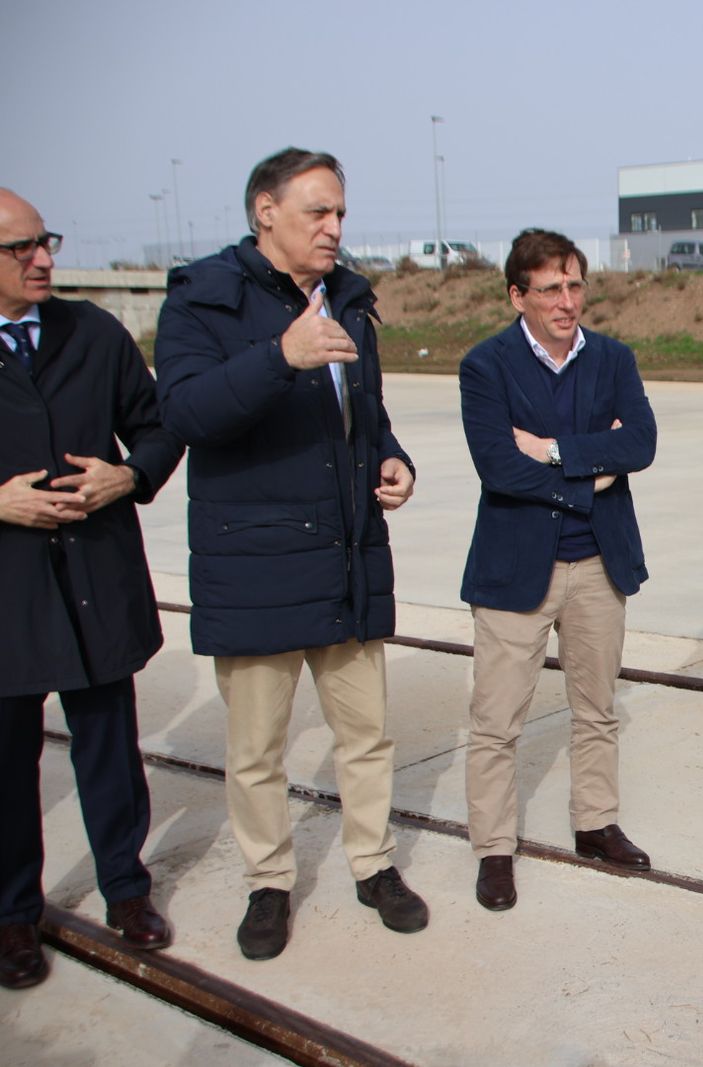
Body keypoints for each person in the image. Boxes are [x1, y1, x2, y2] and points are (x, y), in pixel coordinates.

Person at [154, 148, 426, 961]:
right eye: (318, 212)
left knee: (367, 735)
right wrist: (279, 357)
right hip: (257, 566)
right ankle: (268, 883)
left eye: (340, 212)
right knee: (256, 751)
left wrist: (391, 455)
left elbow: (363, 409)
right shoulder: (203, 297)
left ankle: (373, 864)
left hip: (344, 557)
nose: (335, 228)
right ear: (264, 211)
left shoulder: (348, 297)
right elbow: (187, 412)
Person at [0, 190, 185, 988]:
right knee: (8, 768)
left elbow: (158, 424)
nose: (43, 259)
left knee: (110, 745)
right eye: (20, 249)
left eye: (45, 242)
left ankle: (127, 888)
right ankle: (13, 913)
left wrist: (129, 472)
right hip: (9, 592)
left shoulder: (94, 333)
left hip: (94, 579)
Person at [459, 229, 658, 910]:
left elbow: (640, 442)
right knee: (496, 719)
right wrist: (587, 474)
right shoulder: (484, 366)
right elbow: (496, 466)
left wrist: (547, 449)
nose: (566, 300)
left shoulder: (613, 359)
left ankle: (595, 823)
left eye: (574, 285)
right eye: (550, 289)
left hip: (599, 563)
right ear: (518, 295)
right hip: (516, 570)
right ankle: (493, 847)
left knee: (597, 709)